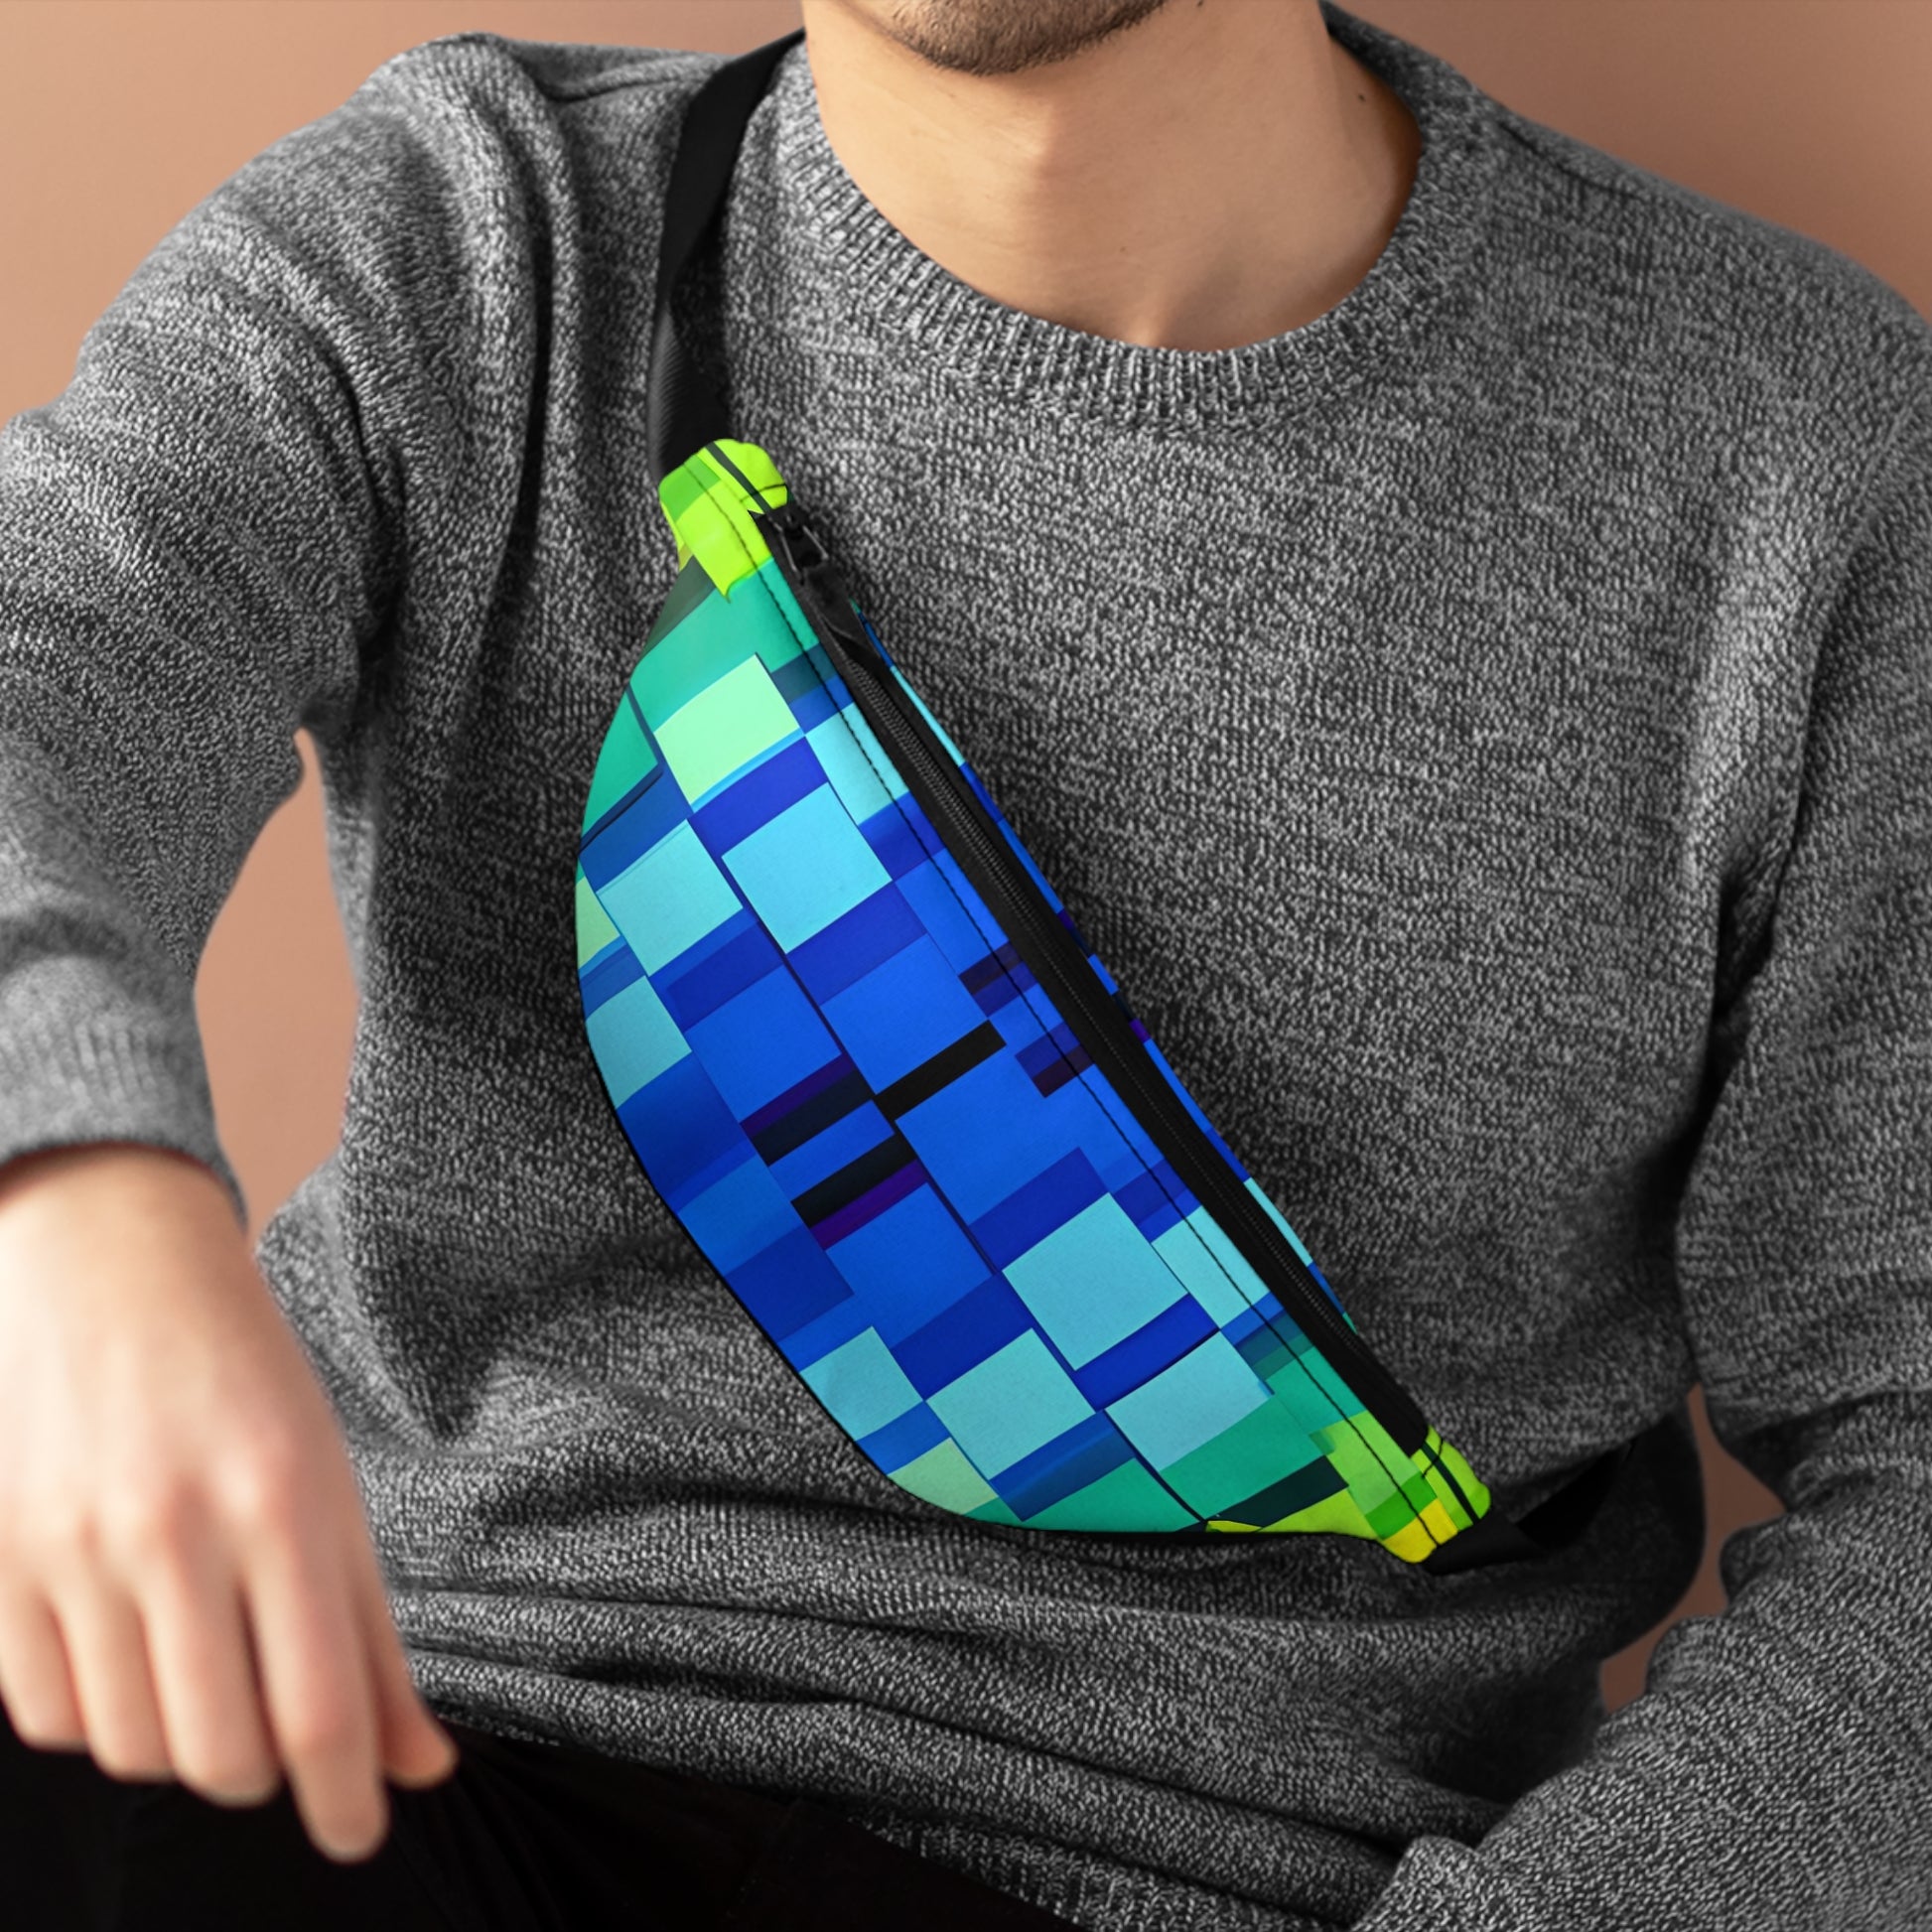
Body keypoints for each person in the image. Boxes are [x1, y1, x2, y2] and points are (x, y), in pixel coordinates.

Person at [0, 0, 1926, 1925]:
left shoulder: (1807, 458)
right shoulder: (466, 236)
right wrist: (79, 1190)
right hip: (383, 1760)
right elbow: (46, 667)